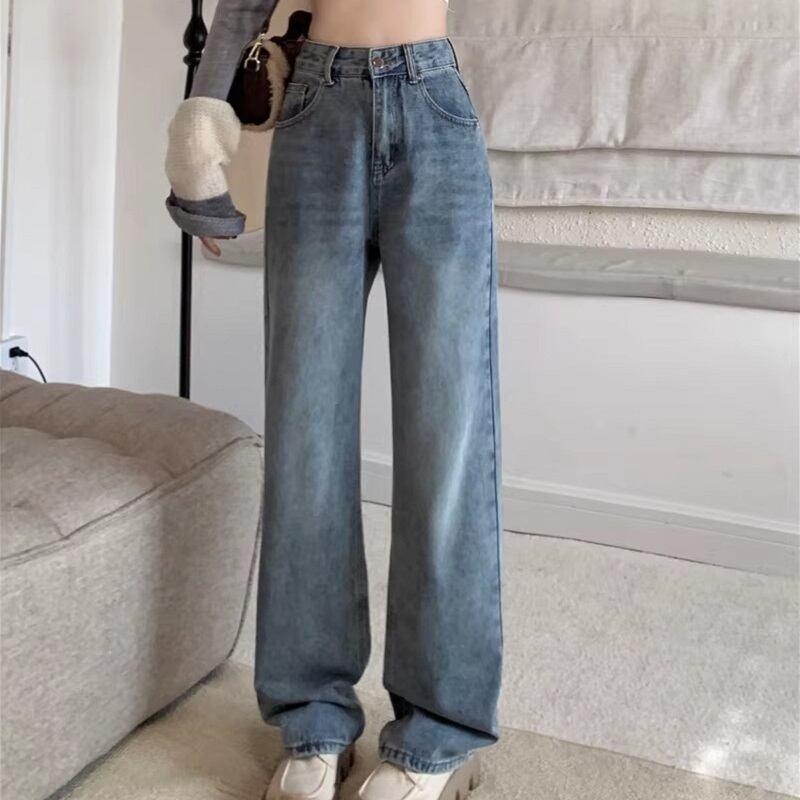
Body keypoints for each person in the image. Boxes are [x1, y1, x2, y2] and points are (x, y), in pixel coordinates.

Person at [164, 1, 502, 798]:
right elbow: (243, 6)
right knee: (305, 435)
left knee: (447, 437)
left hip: (435, 104)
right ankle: (313, 718)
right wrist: (198, 144)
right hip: (316, 109)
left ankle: (438, 732)